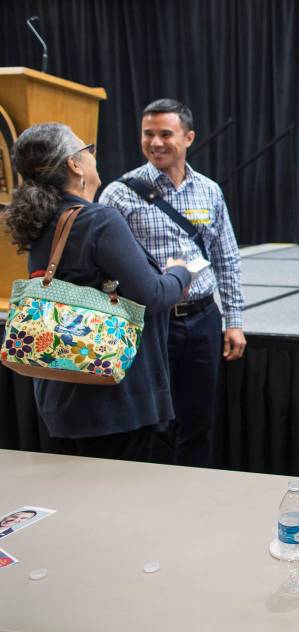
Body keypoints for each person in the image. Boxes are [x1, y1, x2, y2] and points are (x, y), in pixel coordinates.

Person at [1, 123, 191, 461]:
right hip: (113, 403)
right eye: (87, 149)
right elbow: (155, 296)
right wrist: (180, 271)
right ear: (74, 165)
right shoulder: (99, 220)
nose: (92, 155)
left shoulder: (42, 218)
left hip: (59, 396)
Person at [99, 99, 245, 468]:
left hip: (202, 319)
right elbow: (102, 268)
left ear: (189, 137)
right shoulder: (120, 194)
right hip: (149, 322)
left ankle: (194, 495)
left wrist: (235, 321)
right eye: (148, 134)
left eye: (166, 134)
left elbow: (226, 258)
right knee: (155, 422)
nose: (156, 142)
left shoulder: (210, 191)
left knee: (198, 420)